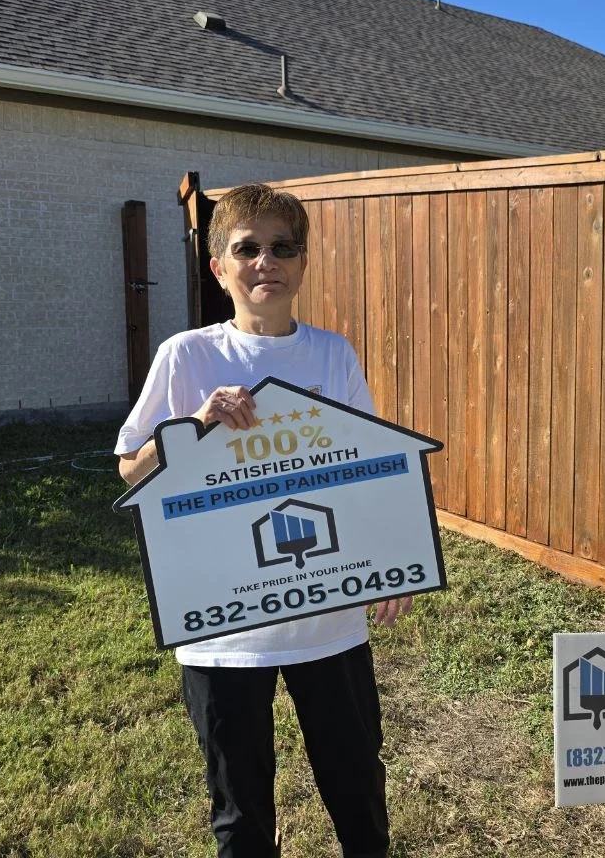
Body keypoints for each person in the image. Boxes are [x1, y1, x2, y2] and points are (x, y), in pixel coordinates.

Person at [116, 183, 411, 858]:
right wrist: (197, 423)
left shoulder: (332, 354)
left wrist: (394, 557)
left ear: (303, 263)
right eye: (246, 248)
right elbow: (130, 469)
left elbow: (369, 467)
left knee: (358, 791)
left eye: (282, 247)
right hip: (224, 629)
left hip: (328, 618)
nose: (265, 262)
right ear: (218, 267)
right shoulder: (186, 356)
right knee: (241, 811)